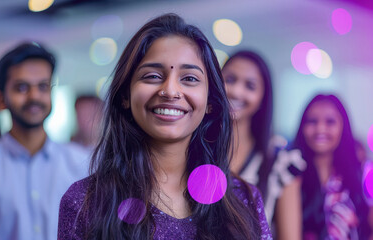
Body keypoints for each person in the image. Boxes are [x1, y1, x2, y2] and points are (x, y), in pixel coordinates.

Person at [58, 14, 271, 239]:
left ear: (210, 102)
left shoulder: (242, 199)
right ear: (125, 96)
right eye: (152, 76)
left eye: (189, 78)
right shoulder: (84, 202)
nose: (170, 91)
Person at [0, 42, 90, 240]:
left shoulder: (83, 165)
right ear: (0, 99)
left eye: (43, 86)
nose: (34, 96)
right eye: (22, 87)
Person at [221, 50, 305, 239]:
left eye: (250, 86)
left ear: (262, 98)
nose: (236, 91)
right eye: (230, 80)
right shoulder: (194, 148)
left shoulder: (281, 162)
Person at [292, 94, 372, 239]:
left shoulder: (362, 174)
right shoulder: (290, 174)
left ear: (343, 126)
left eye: (330, 122)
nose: (320, 129)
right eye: (312, 121)